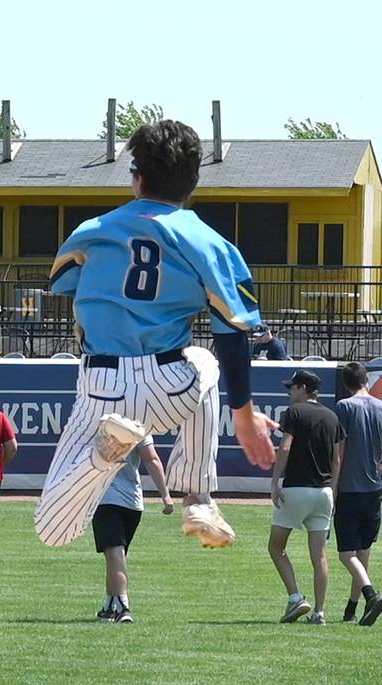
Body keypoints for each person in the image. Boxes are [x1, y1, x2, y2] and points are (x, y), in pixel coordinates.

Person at [35, 119, 275, 556]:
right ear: (193, 183)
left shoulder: (91, 230)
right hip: (168, 382)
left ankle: (104, 455)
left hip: (100, 387)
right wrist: (245, 415)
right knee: (205, 357)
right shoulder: (210, 242)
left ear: (137, 177)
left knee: (52, 529)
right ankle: (199, 499)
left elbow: (62, 282)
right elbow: (234, 332)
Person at [268, 369, 345, 625]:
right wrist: (332, 489)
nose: (290, 392)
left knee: (276, 546)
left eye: (292, 387)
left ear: (303, 388)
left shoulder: (295, 412)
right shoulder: (332, 416)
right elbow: (336, 459)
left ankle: (295, 597)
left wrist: (275, 480)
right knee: (319, 555)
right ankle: (319, 612)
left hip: (297, 489)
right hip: (323, 492)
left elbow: (286, 447)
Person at [94, 435, 173, 624]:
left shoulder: (95, 421)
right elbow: (151, 458)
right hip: (133, 503)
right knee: (115, 557)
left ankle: (123, 606)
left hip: (106, 499)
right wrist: (165, 495)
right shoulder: (139, 424)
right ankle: (109, 606)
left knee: (115, 555)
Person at [334, 361, 382, 625]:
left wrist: (334, 486)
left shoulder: (344, 407)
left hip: (350, 487)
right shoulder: (380, 407)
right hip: (374, 488)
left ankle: (371, 595)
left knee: (345, 553)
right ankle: (352, 608)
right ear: (365, 380)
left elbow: (339, 451)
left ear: (345, 384)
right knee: (363, 551)